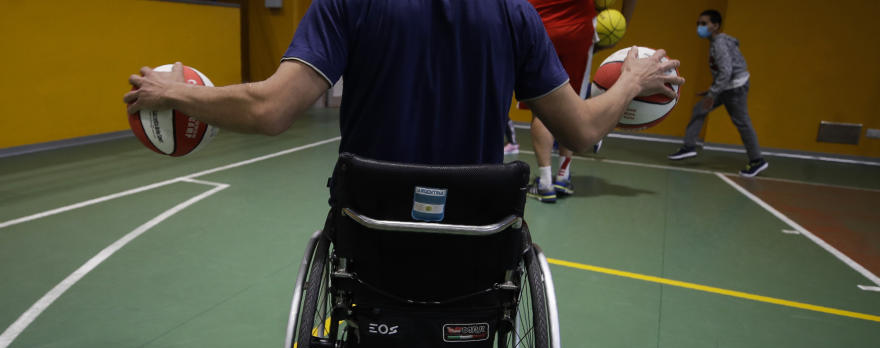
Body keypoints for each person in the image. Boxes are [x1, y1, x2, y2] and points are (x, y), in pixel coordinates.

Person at [125, 0, 681, 173]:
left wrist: (172, 94)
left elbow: (270, 109)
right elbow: (581, 134)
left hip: (371, 221)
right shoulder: (515, 15)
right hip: (476, 228)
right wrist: (631, 79)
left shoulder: (348, 2)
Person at [526, 0, 639, 203]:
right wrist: (623, 25)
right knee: (573, 102)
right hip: (578, 28)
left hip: (538, 23)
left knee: (540, 105)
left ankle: (544, 183)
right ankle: (563, 175)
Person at [667, 9, 767, 177]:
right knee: (699, 109)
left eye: (704, 24)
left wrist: (712, 94)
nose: (700, 27)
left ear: (715, 26)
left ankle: (757, 160)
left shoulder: (719, 43)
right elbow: (722, 71)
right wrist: (711, 90)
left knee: (742, 123)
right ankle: (689, 147)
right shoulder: (715, 42)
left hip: (735, 88)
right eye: (698, 24)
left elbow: (726, 71)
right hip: (726, 86)